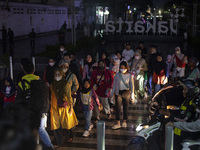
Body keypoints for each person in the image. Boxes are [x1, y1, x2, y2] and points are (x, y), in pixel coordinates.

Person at [15, 61, 55, 150]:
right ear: (33, 70)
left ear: (23, 70)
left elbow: (18, 100)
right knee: (41, 129)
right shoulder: (41, 81)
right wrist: (46, 110)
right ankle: (50, 146)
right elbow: (46, 96)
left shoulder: (22, 83)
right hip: (42, 110)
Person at [50, 68, 78, 147]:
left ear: (62, 75)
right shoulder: (53, 84)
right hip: (55, 107)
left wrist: (71, 107)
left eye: (59, 75)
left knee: (66, 124)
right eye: (56, 75)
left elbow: (69, 97)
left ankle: (69, 136)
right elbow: (52, 96)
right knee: (55, 125)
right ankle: (57, 142)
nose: (57, 76)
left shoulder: (66, 84)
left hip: (64, 106)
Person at [110, 61, 134, 129]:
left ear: (126, 68)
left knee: (125, 108)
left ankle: (124, 121)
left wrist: (132, 95)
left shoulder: (129, 75)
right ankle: (118, 123)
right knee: (117, 108)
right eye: (121, 67)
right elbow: (114, 85)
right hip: (119, 93)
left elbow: (132, 86)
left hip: (126, 92)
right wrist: (112, 93)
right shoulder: (117, 75)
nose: (122, 69)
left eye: (123, 67)